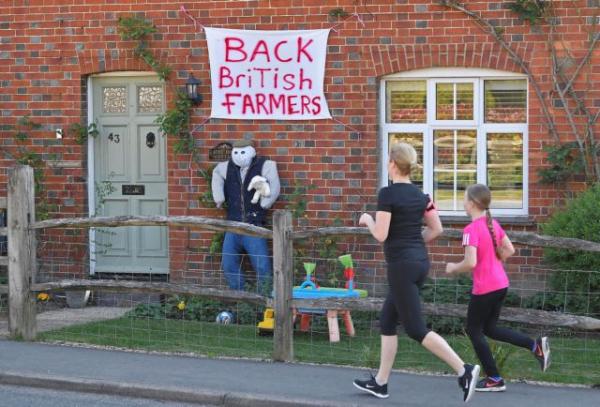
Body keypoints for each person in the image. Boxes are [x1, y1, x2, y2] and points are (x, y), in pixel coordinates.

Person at [353, 142, 480, 403]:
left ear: (392, 164)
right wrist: (412, 243)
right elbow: (436, 229)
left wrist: (367, 219)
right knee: (387, 320)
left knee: (415, 328)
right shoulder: (423, 197)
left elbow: (381, 234)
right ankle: (380, 383)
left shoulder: (387, 194)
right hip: (419, 263)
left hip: (401, 267)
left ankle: (464, 370)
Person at [445, 184, 550, 392]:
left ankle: (494, 378)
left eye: (464, 199)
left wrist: (453, 267)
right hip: (501, 284)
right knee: (490, 329)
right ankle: (535, 346)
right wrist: (493, 261)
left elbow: (471, 262)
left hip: (485, 288)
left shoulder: (470, 230)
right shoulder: (492, 223)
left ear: (472, 204)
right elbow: (509, 249)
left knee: (473, 330)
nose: (463, 203)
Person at [211, 139, 280, 292]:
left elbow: (274, 185)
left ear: (251, 151)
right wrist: (219, 197)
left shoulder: (264, 165)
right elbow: (216, 174)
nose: (240, 156)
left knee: (262, 266)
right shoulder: (226, 167)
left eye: (243, 152)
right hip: (233, 225)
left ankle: (265, 299)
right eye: (236, 152)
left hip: (254, 225)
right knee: (228, 264)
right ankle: (239, 297)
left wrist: (266, 202)